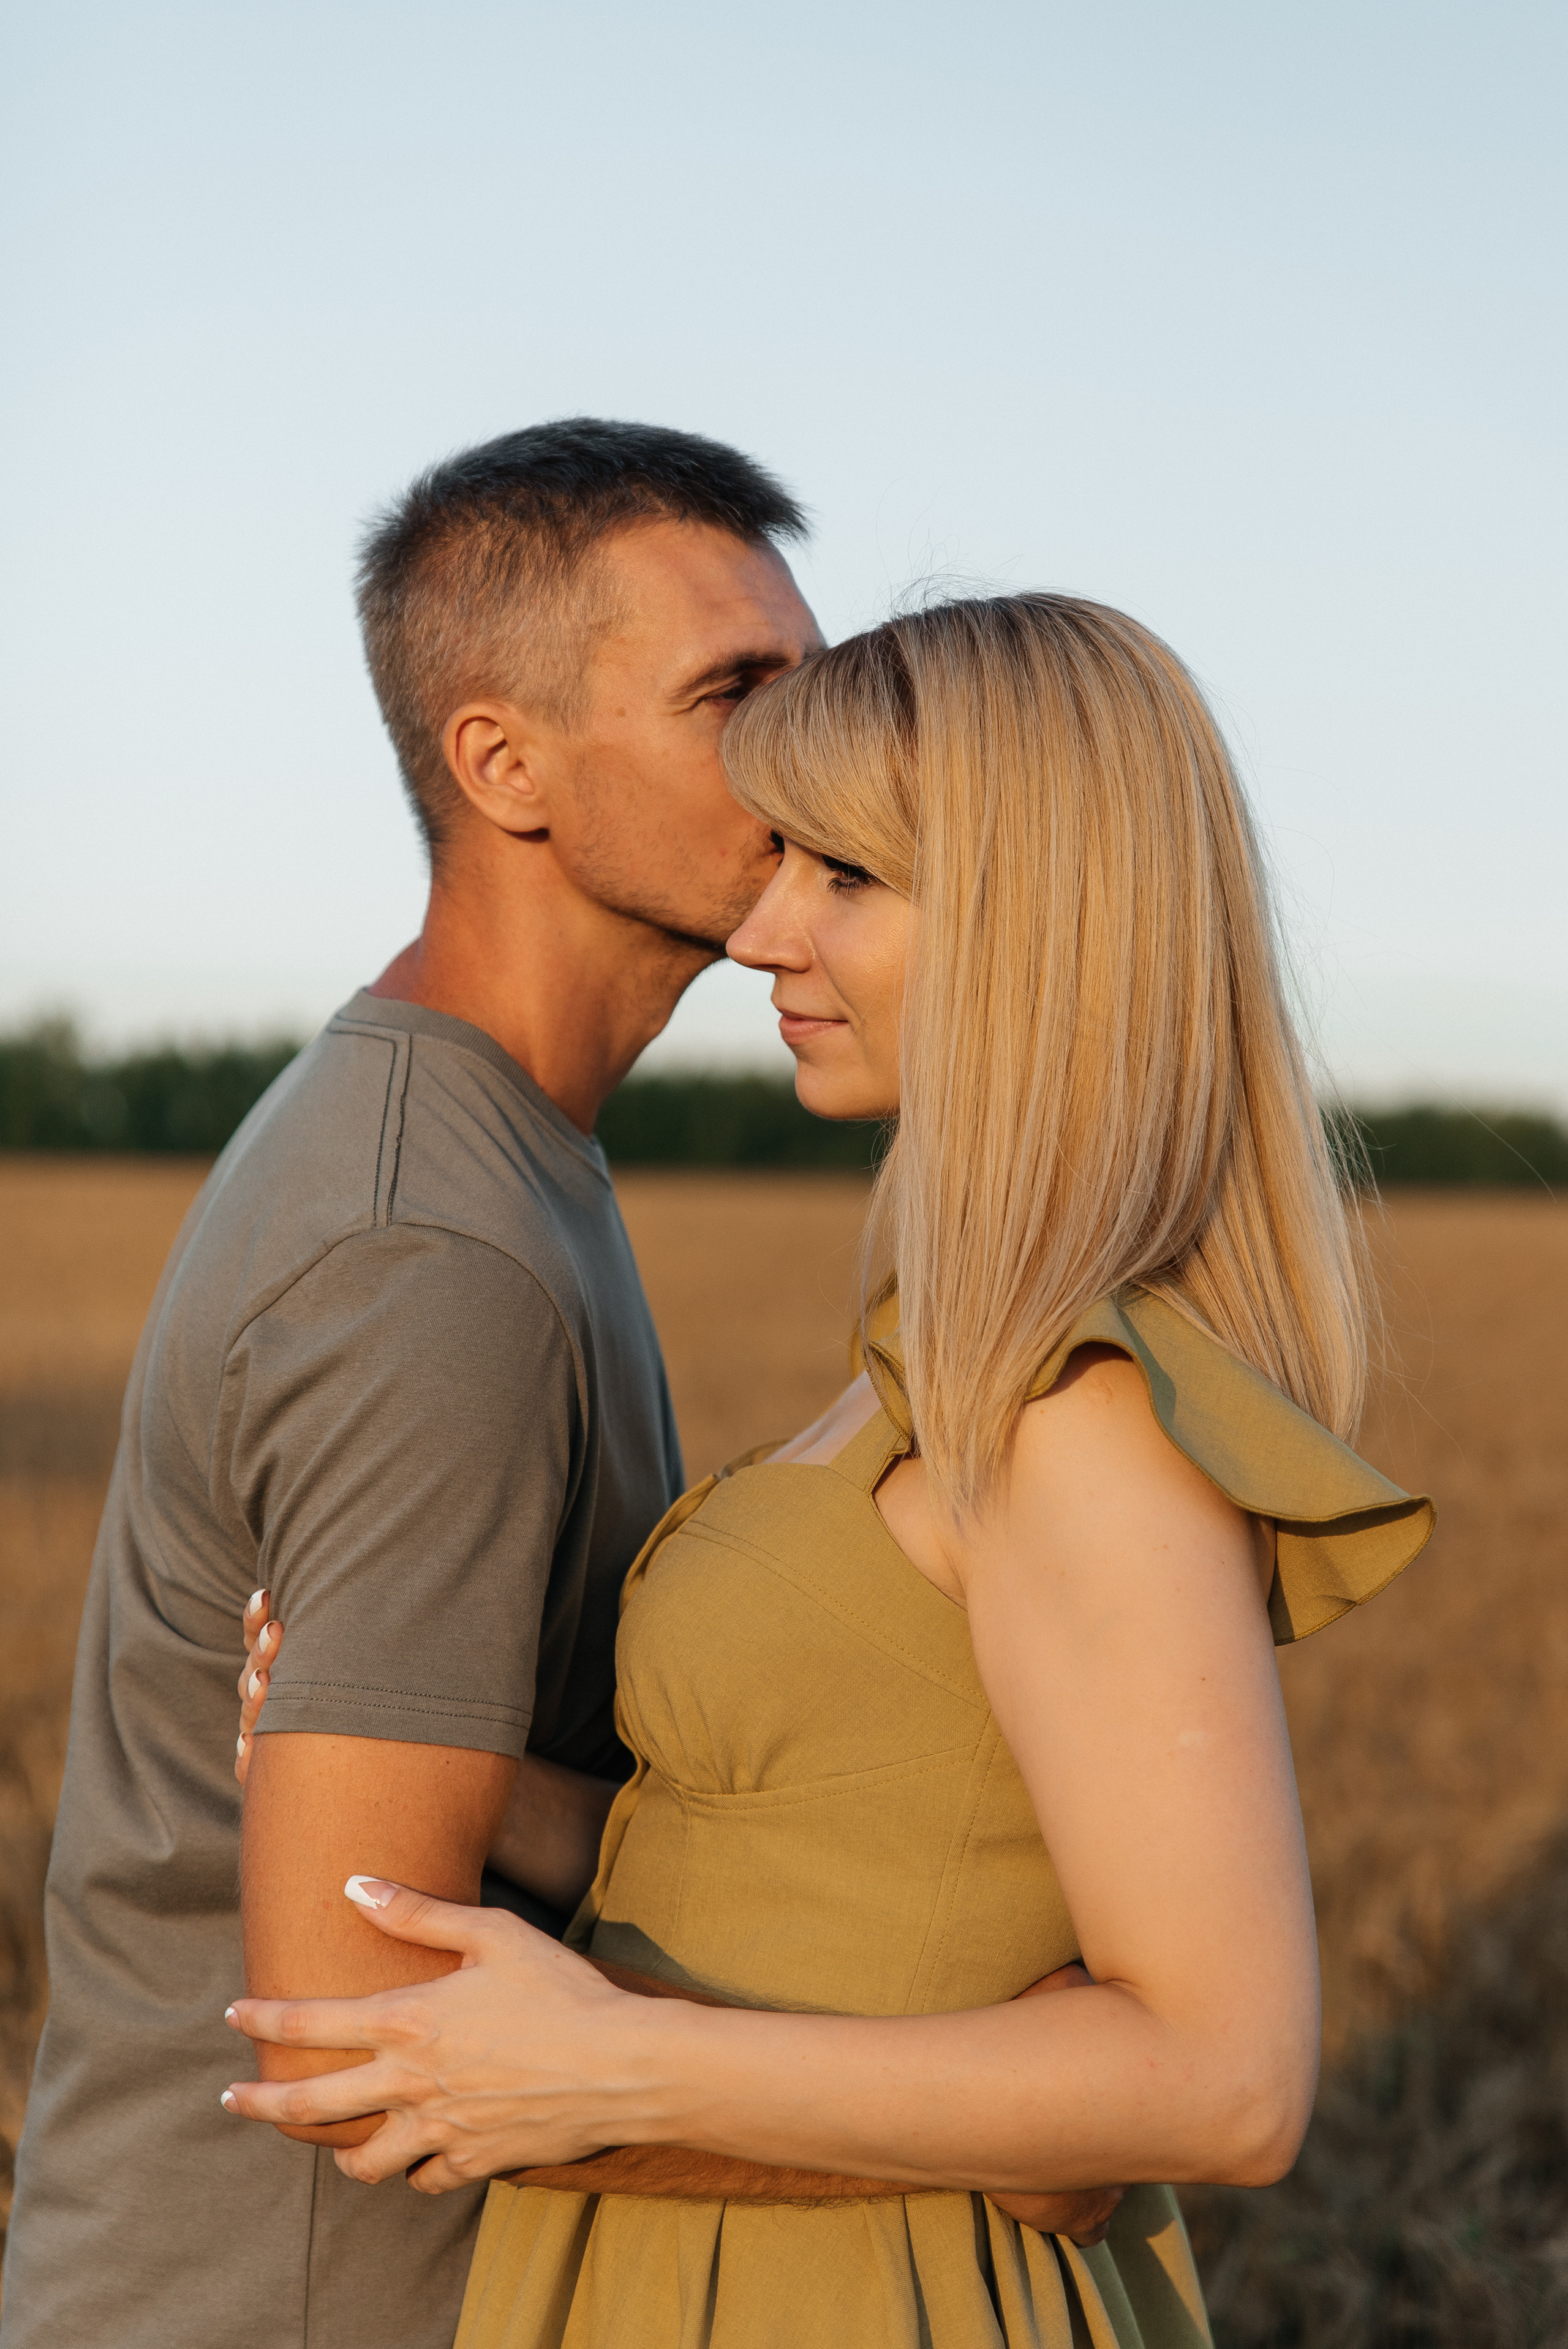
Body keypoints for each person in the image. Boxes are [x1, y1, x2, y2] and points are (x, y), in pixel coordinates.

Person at [222, 593, 1436, 2349]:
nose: (765, 923)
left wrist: (614, 2062)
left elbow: (1225, 2073)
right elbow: (852, 1822)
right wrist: (493, 1798)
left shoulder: (1072, 1415)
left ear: (1040, 923)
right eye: (783, 854)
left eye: (847, 877)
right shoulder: (933, 1369)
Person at [0, 418, 826, 2349]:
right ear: (501, 761)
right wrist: (962, 2135)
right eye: (738, 693)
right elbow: (356, 2035)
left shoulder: (491, 1153)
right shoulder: (437, 1260)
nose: (812, 752)